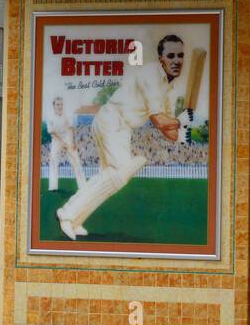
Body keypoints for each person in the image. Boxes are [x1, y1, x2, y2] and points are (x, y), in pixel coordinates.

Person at [56, 34, 193, 240]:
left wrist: (183, 134)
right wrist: (181, 121)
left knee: (107, 178)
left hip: (117, 125)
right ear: (161, 59)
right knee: (118, 176)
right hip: (113, 119)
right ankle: (67, 214)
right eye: (171, 55)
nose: (176, 60)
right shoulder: (151, 74)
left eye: (180, 56)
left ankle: (73, 220)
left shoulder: (168, 88)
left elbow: (168, 129)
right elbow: (159, 120)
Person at [46, 95, 86, 192]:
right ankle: (53, 187)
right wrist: (62, 143)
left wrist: (72, 142)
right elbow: (52, 133)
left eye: (61, 104)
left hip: (67, 137)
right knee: (53, 160)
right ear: (54, 106)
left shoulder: (67, 115)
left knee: (75, 160)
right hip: (56, 140)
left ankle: (83, 186)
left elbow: (71, 129)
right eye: (58, 104)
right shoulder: (49, 117)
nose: (60, 106)